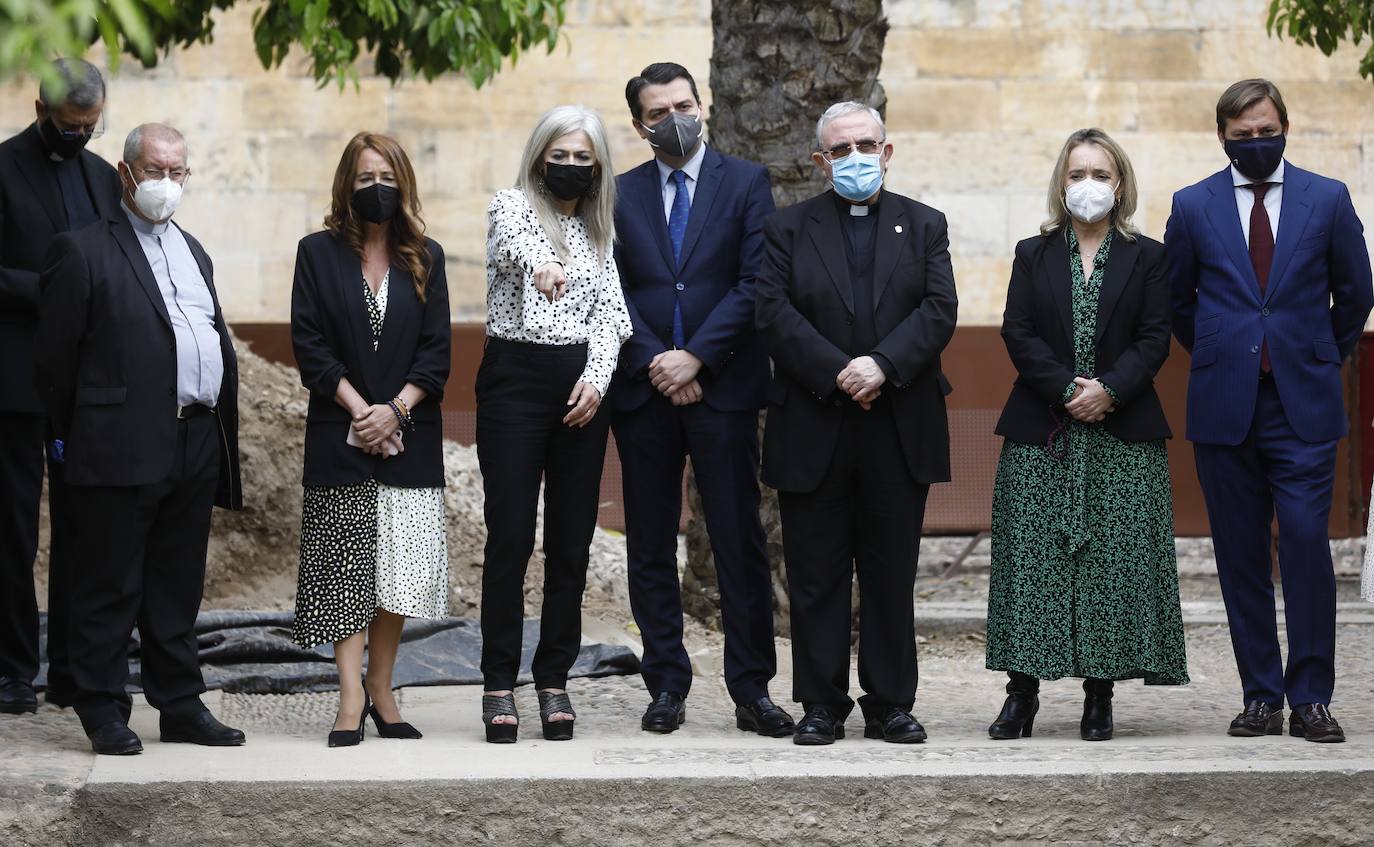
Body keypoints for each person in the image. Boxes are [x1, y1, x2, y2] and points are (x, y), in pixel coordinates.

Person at [1166, 79, 1373, 743]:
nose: (1256, 143)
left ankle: (1311, 695)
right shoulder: (1193, 205)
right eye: (1242, 134)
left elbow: (1356, 290)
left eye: (1266, 130)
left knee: (1308, 542)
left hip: (1304, 405)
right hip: (1226, 405)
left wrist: (1316, 354)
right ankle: (1261, 694)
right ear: (1222, 135)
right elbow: (1178, 303)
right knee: (1240, 553)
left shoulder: (1328, 198)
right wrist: (1229, 354)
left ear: (1285, 125)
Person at [35, 123, 244, 755]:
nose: (167, 184)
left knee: (177, 583)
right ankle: (102, 706)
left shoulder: (195, 251)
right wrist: (73, 439)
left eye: (178, 173)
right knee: (109, 582)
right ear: (125, 174)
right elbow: (55, 363)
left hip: (194, 438)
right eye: (155, 170)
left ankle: (178, 702)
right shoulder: (83, 250)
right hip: (118, 443)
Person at [755, 102, 957, 745]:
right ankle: (820, 704)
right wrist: (840, 370)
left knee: (891, 574)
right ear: (820, 161)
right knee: (815, 575)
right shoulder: (786, 229)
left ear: (888, 151)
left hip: (897, 423)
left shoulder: (926, 225)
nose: (855, 159)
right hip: (815, 420)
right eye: (840, 150)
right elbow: (772, 312)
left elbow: (938, 308)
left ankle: (891, 703)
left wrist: (882, 365)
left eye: (866, 145)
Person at [985, 129, 1189, 743]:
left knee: (1112, 564)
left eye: (1100, 174)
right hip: (1044, 430)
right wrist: (1068, 391)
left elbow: (1156, 337)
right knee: (1032, 563)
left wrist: (1111, 390)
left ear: (1119, 183)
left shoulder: (1148, 256)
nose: (1088, 185)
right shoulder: (1032, 252)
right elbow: (1017, 331)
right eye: (1077, 174)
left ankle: (1099, 696)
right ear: (1061, 183)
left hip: (1122, 434)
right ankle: (1021, 696)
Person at [610, 62, 789, 737]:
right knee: (651, 543)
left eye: (683, 104)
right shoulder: (618, 192)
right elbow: (612, 288)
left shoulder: (744, 182)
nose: (674, 119)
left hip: (725, 388)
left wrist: (698, 357)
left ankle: (752, 689)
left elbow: (754, 282)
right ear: (639, 124)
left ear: (702, 105)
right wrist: (657, 358)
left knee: (738, 539)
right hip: (644, 390)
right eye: (659, 112)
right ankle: (665, 683)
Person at [289, 132, 451, 748]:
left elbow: (437, 351)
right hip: (341, 432)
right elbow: (309, 344)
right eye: (363, 178)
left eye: (385, 176)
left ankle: (384, 689)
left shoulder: (427, 257)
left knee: (398, 572)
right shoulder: (316, 252)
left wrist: (395, 413)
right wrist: (363, 413)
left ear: (403, 183)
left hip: (411, 436)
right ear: (345, 186)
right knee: (346, 569)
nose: (374, 187)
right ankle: (350, 695)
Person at [478, 105, 631, 744]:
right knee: (511, 536)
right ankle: (496, 683)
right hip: (513, 382)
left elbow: (613, 320)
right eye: (558, 155)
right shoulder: (509, 206)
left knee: (570, 543)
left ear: (597, 167)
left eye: (581, 158)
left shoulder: (600, 234)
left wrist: (596, 381)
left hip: (579, 392)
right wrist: (546, 264)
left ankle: (553, 678)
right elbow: (521, 247)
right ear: (540, 156)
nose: (569, 167)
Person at [0, 58, 120, 715]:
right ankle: (15, 667)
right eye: (71, 126)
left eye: (91, 128)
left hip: (86, 387)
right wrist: (52, 288)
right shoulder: (3, 168)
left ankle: (73, 669)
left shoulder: (104, 179)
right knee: (13, 528)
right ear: (41, 110)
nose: (79, 137)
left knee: (84, 527)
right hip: (15, 383)